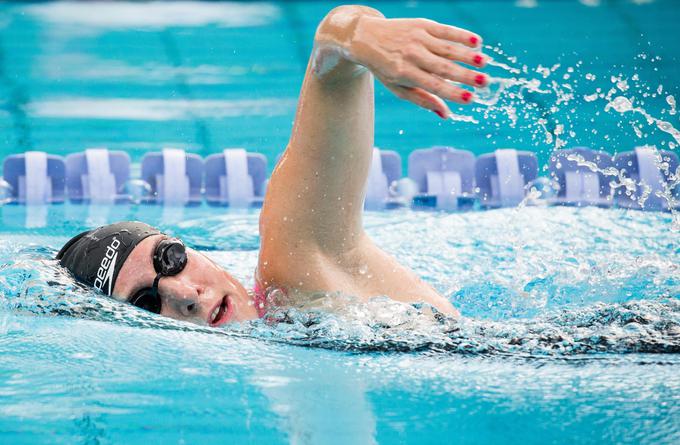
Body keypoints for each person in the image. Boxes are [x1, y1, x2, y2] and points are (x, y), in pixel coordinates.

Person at [57, 5, 488, 327]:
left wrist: (357, 33)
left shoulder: (293, 272)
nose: (185, 294)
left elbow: (331, 62)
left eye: (170, 259)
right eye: (146, 305)